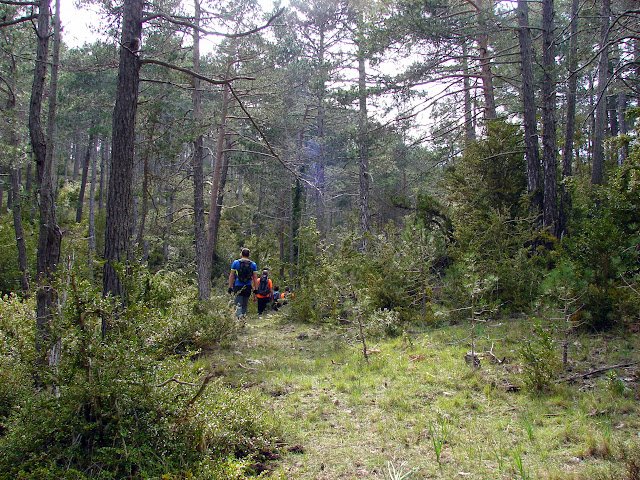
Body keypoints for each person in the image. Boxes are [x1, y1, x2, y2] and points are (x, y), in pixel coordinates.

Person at [228, 248, 257, 321]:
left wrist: (230, 287)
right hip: (248, 287)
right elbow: (255, 278)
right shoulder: (253, 264)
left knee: (238, 305)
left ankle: (239, 320)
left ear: (241, 254)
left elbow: (231, 276)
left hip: (238, 286)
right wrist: (256, 289)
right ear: (249, 255)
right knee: (245, 305)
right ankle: (243, 321)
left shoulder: (236, 263)